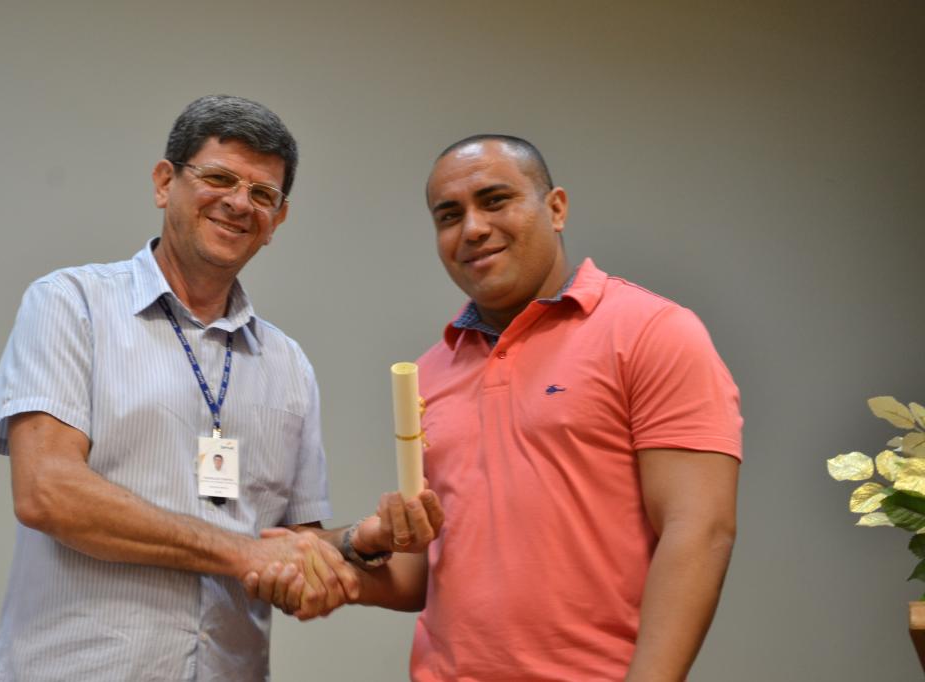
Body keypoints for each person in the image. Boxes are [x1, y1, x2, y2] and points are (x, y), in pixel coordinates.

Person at [0, 94, 440, 682]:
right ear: (163, 183)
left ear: (278, 221)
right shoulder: (72, 304)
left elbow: (289, 542)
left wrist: (355, 541)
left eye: (263, 194)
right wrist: (243, 553)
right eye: (219, 178)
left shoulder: (288, 365)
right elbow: (48, 491)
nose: (239, 203)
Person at [252, 134, 742, 681]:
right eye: (449, 215)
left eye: (495, 200)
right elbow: (428, 573)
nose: (473, 228)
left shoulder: (653, 333)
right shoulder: (430, 372)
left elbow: (699, 531)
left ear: (556, 208)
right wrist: (339, 573)